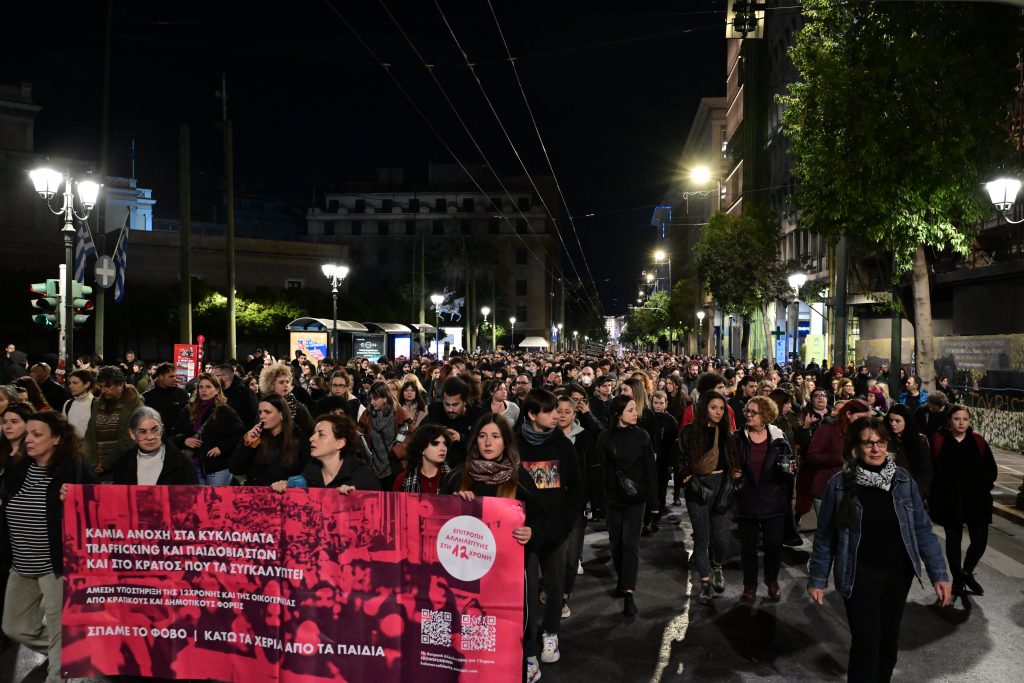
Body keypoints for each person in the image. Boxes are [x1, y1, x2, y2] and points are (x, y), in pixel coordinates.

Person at [808, 416, 951, 683]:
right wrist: (817, 578)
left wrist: (939, 574)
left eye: (881, 442)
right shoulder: (838, 485)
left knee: (888, 644)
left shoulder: (903, 480)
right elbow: (826, 536)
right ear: (855, 448)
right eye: (868, 443)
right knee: (866, 645)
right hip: (859, 577)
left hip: (897, 577)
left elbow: (922, 530)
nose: (876, 449)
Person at [439, 413, 543, 683]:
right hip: (463, 577)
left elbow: (541, 518)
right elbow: (434, 521)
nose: (488, 442)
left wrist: (531, 532)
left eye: (495, 436)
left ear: (505, 442)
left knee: (504, 635)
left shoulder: (518, 479)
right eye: (483, 436)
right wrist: (453, 505)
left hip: (505, 578)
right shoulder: (458, 477)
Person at [0, 411, 98, 683]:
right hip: (21, 564)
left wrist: (77, 500)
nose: (28, 439)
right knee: (15, 627)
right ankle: (73, 652)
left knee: (58, 630)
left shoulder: (75, 471)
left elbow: (100, 509)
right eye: (27, 433)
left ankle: (59, 668)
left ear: (56, 438)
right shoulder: (19, 468)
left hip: (56, 567)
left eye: (36, 434)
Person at [517, 388, 584, 667]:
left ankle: (551, 633)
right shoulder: (514, 444)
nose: (556, 415)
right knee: (528, 592)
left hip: (555, 531)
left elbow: (577, 492)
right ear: (532, 414)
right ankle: (529, 644)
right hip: (525, 533)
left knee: (555, 587)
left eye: (557, 409)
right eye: (549, 410)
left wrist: (564, 525)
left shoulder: (564, 445)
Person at [676, 391, 740, 604]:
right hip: (698, 488)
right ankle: (704, 583)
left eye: (722, 409)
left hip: (722, 487)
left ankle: (717, 565)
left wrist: (734, 481)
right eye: (714, 408)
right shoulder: (689, 432)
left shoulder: (727, 434)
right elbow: (679, 461)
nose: (719, 412)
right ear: (704, 408)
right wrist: (690, 482)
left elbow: (734, 463)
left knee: (721, 539)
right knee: (702, 537)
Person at [597, 394, 657, 618]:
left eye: (636, 409)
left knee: (631, 544)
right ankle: (623, 580)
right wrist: (602, 499)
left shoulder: (642, 435)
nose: (636, 413)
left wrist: (653, 502)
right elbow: (601, 470)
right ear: (618, 413)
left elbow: (650, 468)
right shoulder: (605, 437)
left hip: (636, 499)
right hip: (613, 499)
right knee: (616, 543)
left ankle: (629, 592)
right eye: (631, 409)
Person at [929, 405, 998, 598]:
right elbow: (932, 470)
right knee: (953, 540)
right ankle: (957, 578)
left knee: (980, 541)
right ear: (950, 420)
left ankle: (966, 572)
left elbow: (991, 469)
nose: (961, 423)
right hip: (949, 499)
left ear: (969, 421)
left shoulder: (978, 441)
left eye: (965, 419)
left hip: (977, 499)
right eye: (957, 419)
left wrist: (983, 486)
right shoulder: (939, 440)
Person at [734, 395, 796, 603]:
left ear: (766, 416)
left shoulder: (779, 439)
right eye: (747, 412)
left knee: (773, 546)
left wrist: (789, 472)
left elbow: (789, 470)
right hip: (747, 500)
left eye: (753, 412)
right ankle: (749, 585)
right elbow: (732, 463)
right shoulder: (738, 438)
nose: (748, 415)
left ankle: (772, 581)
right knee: (748, 548)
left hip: (773, 501)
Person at [555, 394, 598, 616]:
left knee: (572, 557)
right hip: (551, 506)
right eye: (559, 411)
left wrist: (592, 501)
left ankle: (564, 595)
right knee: (553, 556)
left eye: (567, 412)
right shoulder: (546, 437)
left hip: (576, 505)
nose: (562, 416)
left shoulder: (585, 439)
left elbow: (591, 472)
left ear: (574, 414)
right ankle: (554, 595)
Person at [169, 373, 245, 486]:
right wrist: (184, 440)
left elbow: (240, 435)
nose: (203, 390)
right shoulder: (188, 409)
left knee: (216, 502)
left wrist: (221, 447)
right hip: (193, 466)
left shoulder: (224, 411)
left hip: (217, 467)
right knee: (199, 502)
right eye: (201, 387)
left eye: (208, 387)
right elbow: (173, 434)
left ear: (217, 390)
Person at [276, 414, 379, 492]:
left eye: (321, 435)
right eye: (314, 434)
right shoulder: (309, 473)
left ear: (340, 443)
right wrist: (285, 489)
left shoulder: (363, 477)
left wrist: (358, 499)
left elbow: (380, 512)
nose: (312, 438)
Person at [804, 399, 873, 514]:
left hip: (855, 490)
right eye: (859, 418)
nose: (863, 422)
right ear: (848, 414)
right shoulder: (828, 429)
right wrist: (837, 459)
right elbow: (812, 455)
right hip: (827, 489)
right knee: (828, 530)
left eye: (866, 418)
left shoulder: (864, 432)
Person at [231, 394, 310, 487]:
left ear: (281, 414)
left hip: (284, 495)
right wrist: (248, 445)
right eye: (260, 412)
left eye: (267, 412)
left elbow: (306, 475)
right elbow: (235, 469)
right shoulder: (255, 436)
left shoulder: (299, 439)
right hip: (256, 493)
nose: (262, 416)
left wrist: (289, 484)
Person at [111, 407, 198, 485]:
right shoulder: (124, 462)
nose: (150, 437)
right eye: (142, 432)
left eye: (155, 430)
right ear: (132, 434)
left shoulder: (182, 463)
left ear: (162, 429)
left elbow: (193, 497)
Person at [84, 366, 145, 476]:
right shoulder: (98, 403)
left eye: (107, 386)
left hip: (123, 468)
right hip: (97, 468)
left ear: (120, 384)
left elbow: (129, 439)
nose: (103, 390)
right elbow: (90, 434)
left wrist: (106, 464)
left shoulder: (134, 405)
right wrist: (92, 462)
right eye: (101, 386)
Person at [357, 381, 412, 490]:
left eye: (375, 399)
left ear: (385, 398)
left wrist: (396, 453)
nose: (372, 402)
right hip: (372, 467)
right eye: (371, 399)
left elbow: (411, 437)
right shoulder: (367, 415)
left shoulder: (400, 414)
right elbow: (360, 435)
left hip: (394, 466)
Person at [422, 376, 484, 468]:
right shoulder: (435, 412)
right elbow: (420, 437)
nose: (450, 409)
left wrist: (461, 438)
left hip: (465, 468)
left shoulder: (477, 417)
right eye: (447, 404)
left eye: (455, 405)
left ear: (465, 402)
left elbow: (482, 446)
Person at [885, 404, 933, 500]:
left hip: (913, 492)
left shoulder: (920, 440)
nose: (893, 424)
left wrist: (919, 492)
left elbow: (926, 470)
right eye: (890, 420)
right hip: (891, 493)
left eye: (897, 421)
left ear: (906, 421)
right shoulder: (884, 440)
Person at [393, 424, 457, 494]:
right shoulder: (403, 479)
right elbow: (395, 503)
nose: (443, 448)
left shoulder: (454, 479)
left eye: (445, 444)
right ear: (421, 448)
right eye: (435, 444)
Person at [259, 361, 315, 435]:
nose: (286, 385)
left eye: (287, 381)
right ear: (271, 384)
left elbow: (310, 431)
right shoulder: (264, 406)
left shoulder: (297, 407)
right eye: (281, 382)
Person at [143, 363, 189, 430]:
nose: (174, 379)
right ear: (161, 376)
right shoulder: (148, 396)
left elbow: (188, 418)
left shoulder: (182, 394)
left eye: (175, 376)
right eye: (171, 376)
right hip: (156, 437)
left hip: (178, 437)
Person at [213, 363, 259, 429]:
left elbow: (255, 418)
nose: (212, 379)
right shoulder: (218, 393)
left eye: (215, 376)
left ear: (225, 377)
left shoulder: (246, 393)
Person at [62, 369, 96, 440]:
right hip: (72, 448)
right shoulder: (68, 404)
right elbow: (64, 428)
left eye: (75, 383)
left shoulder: (96, 403)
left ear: (87, 384)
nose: (70, 386)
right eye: (70, 383)